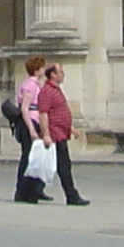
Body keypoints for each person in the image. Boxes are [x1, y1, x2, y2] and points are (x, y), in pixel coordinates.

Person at [35, 63, 89, 206]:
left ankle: (32, 190)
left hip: (61, 132)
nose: (63, 74)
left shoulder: (56, 90)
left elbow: (60, 111)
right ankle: (71, 195)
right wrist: (46, 134)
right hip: (54, 134)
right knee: (63, 166)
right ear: (52, 74)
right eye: (60, 72)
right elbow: (43, 114)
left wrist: (70, 128)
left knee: (52, 165)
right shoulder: (47, 91)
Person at [10, 55, 49, 203]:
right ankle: (22, 191)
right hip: (30, 123)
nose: (44, 70)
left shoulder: (34, 84)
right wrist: (32, 129)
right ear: (37, 69)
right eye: (42, 67)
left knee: (33, 158)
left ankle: (32, 190)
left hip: (34, 121)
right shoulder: (31, 85)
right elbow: (25, 109)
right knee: (28, 158)